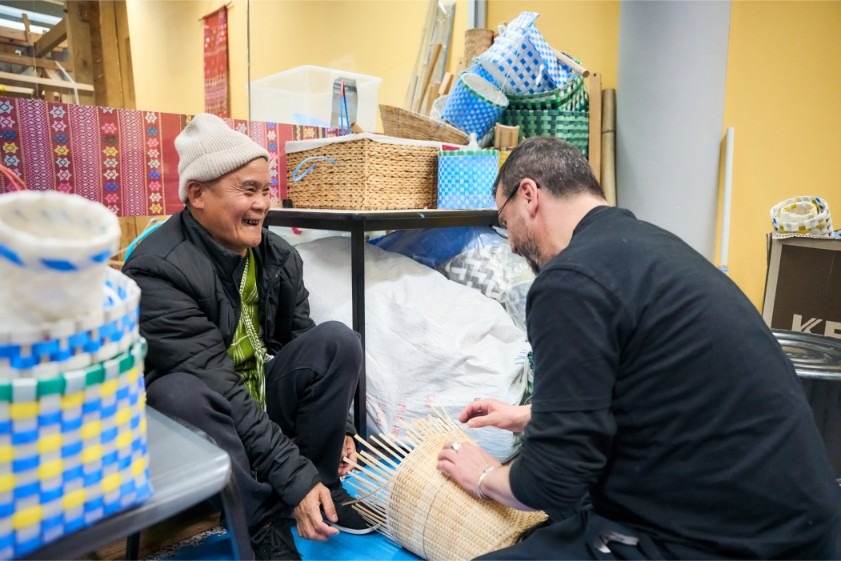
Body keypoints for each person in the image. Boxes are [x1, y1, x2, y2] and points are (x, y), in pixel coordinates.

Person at [437, 136, 841, 559]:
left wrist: (484, 477)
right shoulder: (651, 248)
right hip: (803, 527)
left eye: (506, 222)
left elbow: (550, 482)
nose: (511, 244)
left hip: (734, 543)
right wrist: (536, 415)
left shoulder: (571, 281)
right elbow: (653, 390)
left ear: (529, 195)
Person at [123, 113, 372, 561]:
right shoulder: (157, 269)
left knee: (338, 342)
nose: (261, 204)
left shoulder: (277, 257)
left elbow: (300, 340)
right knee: (178, 392)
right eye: (248, 190)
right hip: (206, 425)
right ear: (197, 194)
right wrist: (292, 476)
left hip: (260, 403)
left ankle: (323, 486)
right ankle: (260, 522)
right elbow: (220, 387)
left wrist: (344, 432)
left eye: (266, 190)